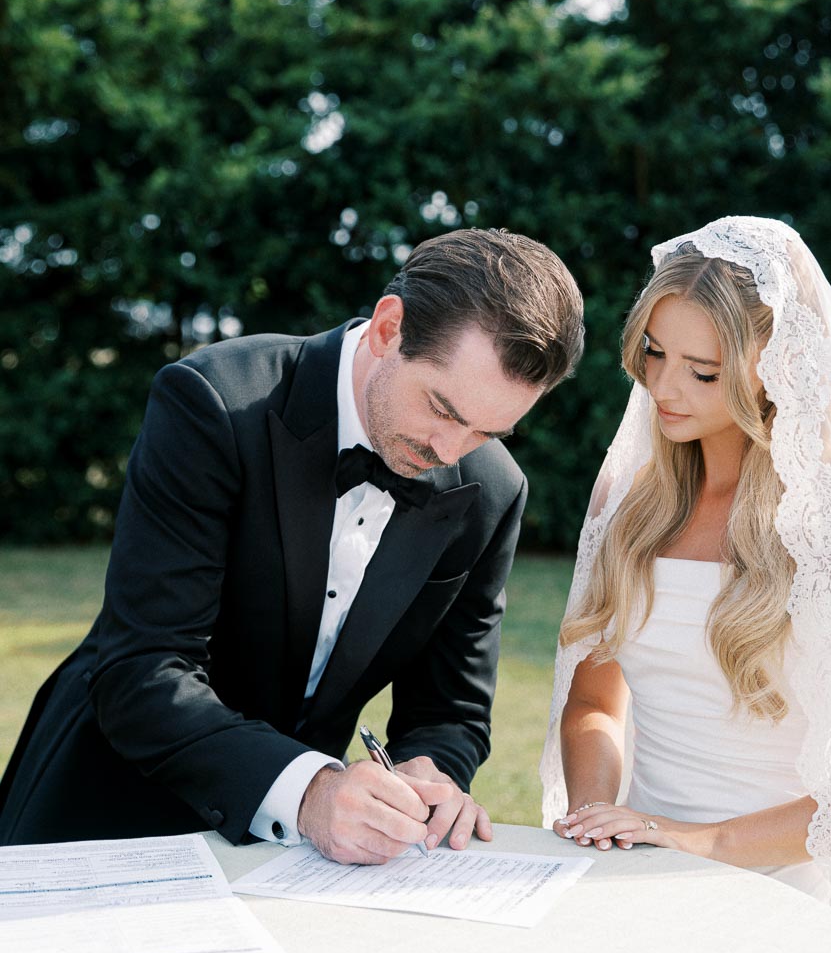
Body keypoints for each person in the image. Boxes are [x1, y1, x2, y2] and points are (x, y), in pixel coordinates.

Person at [0, 227, 584, 862]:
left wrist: (430, 772)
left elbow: (453, 707)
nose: (449, 453)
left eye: (487, 431)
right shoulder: (216, 402)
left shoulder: (491, 489)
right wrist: (309, 794)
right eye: (443, 409)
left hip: (300, 862)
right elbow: (143, 669)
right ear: (390, 329)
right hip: (111, 810)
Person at [540, 215, 831, 953]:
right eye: (653, 352)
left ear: (775, 370)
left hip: (783, 898)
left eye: (702, 372)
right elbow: (593, 702)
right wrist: (598, 811)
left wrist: (701, 841)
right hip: (635, 877)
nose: (664, 388)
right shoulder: (627, 504)